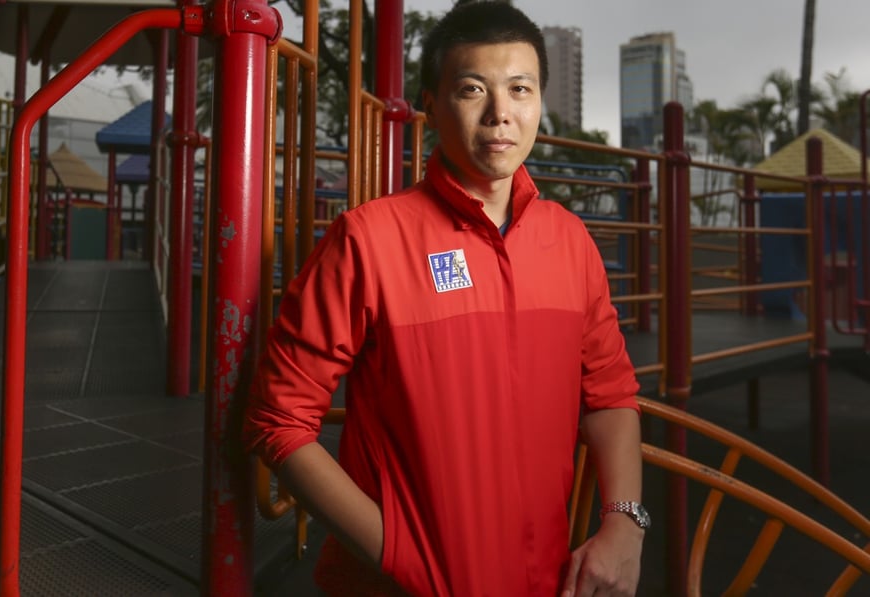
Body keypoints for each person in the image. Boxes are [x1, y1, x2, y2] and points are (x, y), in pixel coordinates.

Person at [243, 2, 646, 595]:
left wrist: (624, 525)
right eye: (472, 89)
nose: (500, 114)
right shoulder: (368, 239)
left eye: (520, 89)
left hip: (545, 582)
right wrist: (399, 554)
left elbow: (611, 396)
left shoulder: (570, 241)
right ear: (430, 105)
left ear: (540, 103)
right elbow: (278, 419)